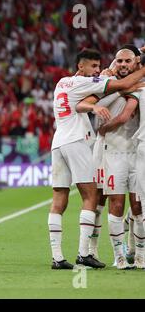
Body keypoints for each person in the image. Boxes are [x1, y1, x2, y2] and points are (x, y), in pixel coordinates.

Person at [48, 48, 145, 270]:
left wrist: (135, 53)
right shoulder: (86, 83)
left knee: (59, 200)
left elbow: (111, 73)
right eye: (93, 66)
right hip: (77, 141)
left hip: (58, 142)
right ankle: (85, 254)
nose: (97, 70)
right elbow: (119, 84)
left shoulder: (64, 82)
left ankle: (57, 257)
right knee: (92, 196)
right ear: (80, 67)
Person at [88, 46, 145, 268]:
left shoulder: (138, 82)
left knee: (137, 207)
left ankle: (137, 254)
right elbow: (91, 103)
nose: (122, 65)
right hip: (109, 150)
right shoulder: (104, 80)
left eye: (127, 62)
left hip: (137, 152)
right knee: (107, 202)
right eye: (118, 61)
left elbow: (125, 115)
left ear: (135, 63)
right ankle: (114, 255)